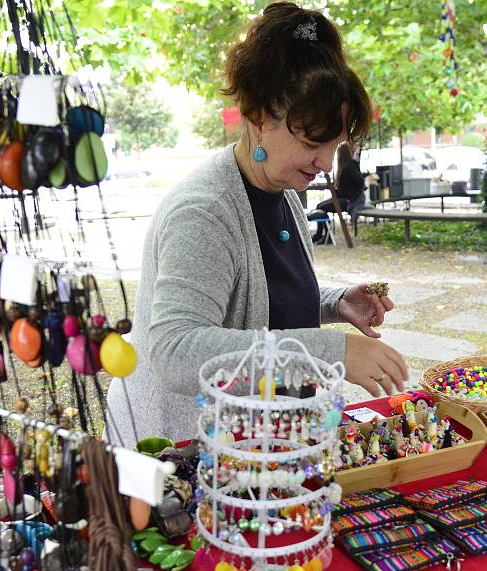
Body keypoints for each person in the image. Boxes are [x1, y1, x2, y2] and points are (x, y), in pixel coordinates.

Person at [106, 1, 409, 448]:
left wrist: (332, 302)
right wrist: (333, 354)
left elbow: (256, 299)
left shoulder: (284, 189)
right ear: (260, 117)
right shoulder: (205, 211)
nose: (326, 163)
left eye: (336, 145)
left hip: (252, 447)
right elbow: (176, 353)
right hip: (181, 456)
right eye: (313, 142)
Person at [310, 142, 365, 244]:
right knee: (320, 206)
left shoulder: (349, 166)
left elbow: (359, 182)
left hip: (348, 201)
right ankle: (322, 234)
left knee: (321, 207)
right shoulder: (345, 166)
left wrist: (346, 193)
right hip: (344, 198)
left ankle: (323, 235)